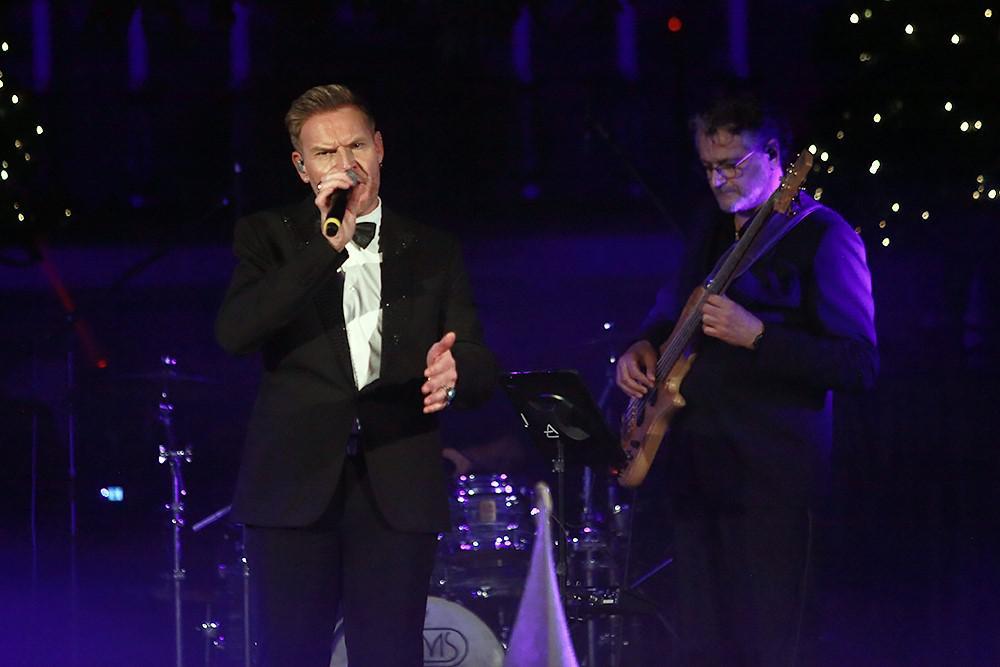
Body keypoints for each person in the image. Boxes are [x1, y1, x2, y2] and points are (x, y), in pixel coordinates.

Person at [215, 83, 496, 666]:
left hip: (396, 482)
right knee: (289, 654)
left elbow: (476, 357)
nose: (347, 164)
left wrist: (456, 371)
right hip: (293, 485)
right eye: (326, 153)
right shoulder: (268, 235)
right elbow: (236, 333)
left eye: (357, 146)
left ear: (380, 147)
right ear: (303, 168)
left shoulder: (433, 248)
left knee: (390, 654)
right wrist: (325, 248)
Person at [615, 91, 877, 666]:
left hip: (772, 486)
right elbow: (670, 310)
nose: (717, 181)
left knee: (772, 646)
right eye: (708, 167)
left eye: (732, 165)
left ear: (775, 155)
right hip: (698, 475)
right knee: (702, 647)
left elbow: (858, 364)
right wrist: (641, 345)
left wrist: (758, 335)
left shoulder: (825, 237)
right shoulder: (708, 230)